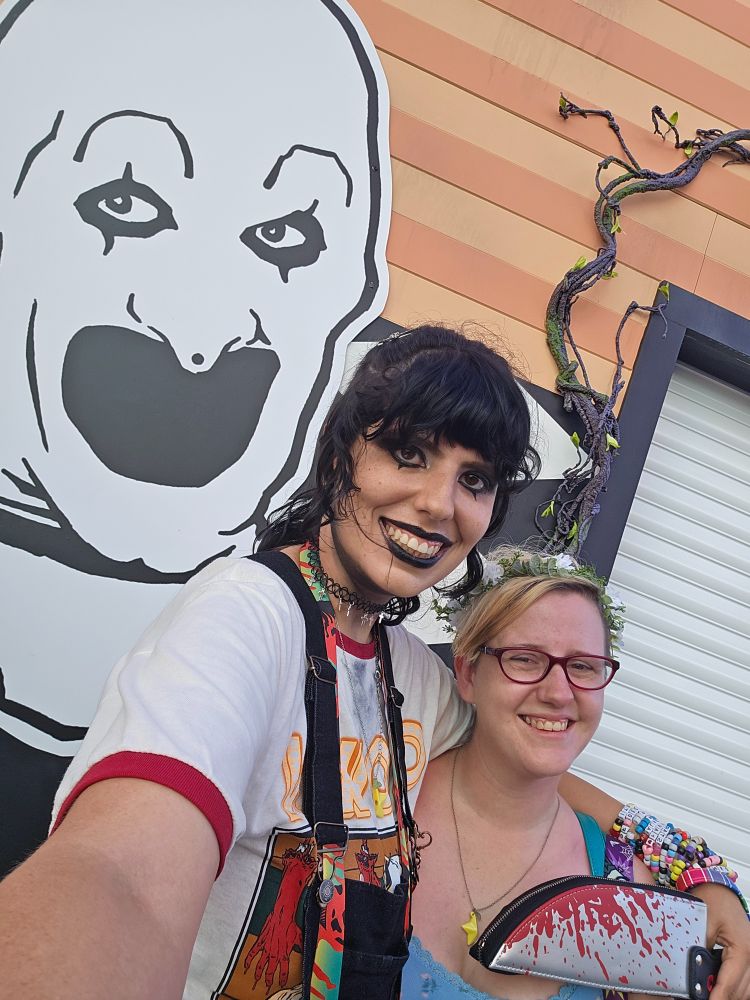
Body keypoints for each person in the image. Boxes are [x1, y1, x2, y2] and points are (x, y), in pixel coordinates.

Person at [0, 327, 746, 1000]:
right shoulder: (246, 617)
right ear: (340, 455)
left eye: (474, 480)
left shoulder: (412, 674)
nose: (437, 503)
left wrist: (701, 875)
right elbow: (121, 874)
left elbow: (535, 750)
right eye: (409, 454)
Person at [0, 0, 390, 870]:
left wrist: (700, 875)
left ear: (351, 299)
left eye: (285, 235)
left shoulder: (356, 672)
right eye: (125, 202)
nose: (201, 332)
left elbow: (521, 734)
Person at [401, 548, 750, 1000]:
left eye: (583, 667)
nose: (558, 693)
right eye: (525, 658)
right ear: (467, 673)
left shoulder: (628, 893)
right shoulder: (381, 791)